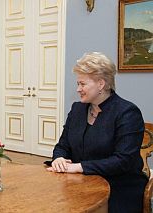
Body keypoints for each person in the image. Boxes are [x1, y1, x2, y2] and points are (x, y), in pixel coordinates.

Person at [47, 52, 147, 213]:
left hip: (119, 187)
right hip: (80, 183)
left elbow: (123, 161)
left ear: (101, 84)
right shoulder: (77, 109)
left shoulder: (127, 112)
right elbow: (62, 145)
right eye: (78, 84)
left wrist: (78, 167)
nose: (78, 89)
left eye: (82, 84)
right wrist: (58, 158)